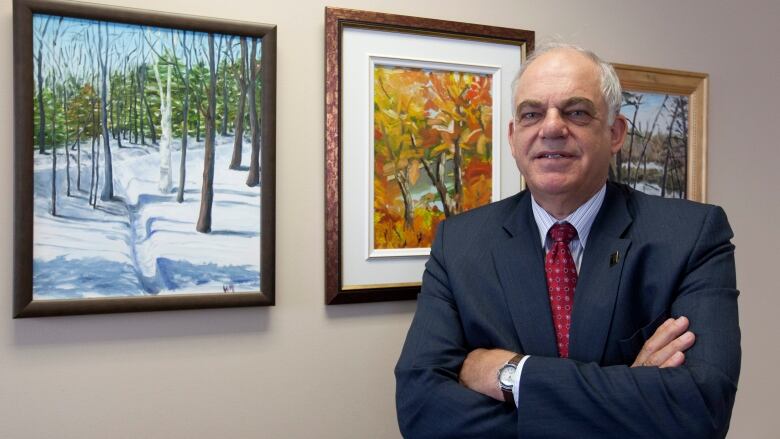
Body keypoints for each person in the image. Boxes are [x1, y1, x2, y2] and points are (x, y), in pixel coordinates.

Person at [394, 43, 740, 439]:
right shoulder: (459, 244)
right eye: (532, 113)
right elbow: (420, 411)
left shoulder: (690, 236)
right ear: (513, 136)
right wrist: (630, 389)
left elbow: (700, 410)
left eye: (576, 112)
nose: (552, 128)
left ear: (615, 133)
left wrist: (511, 375)